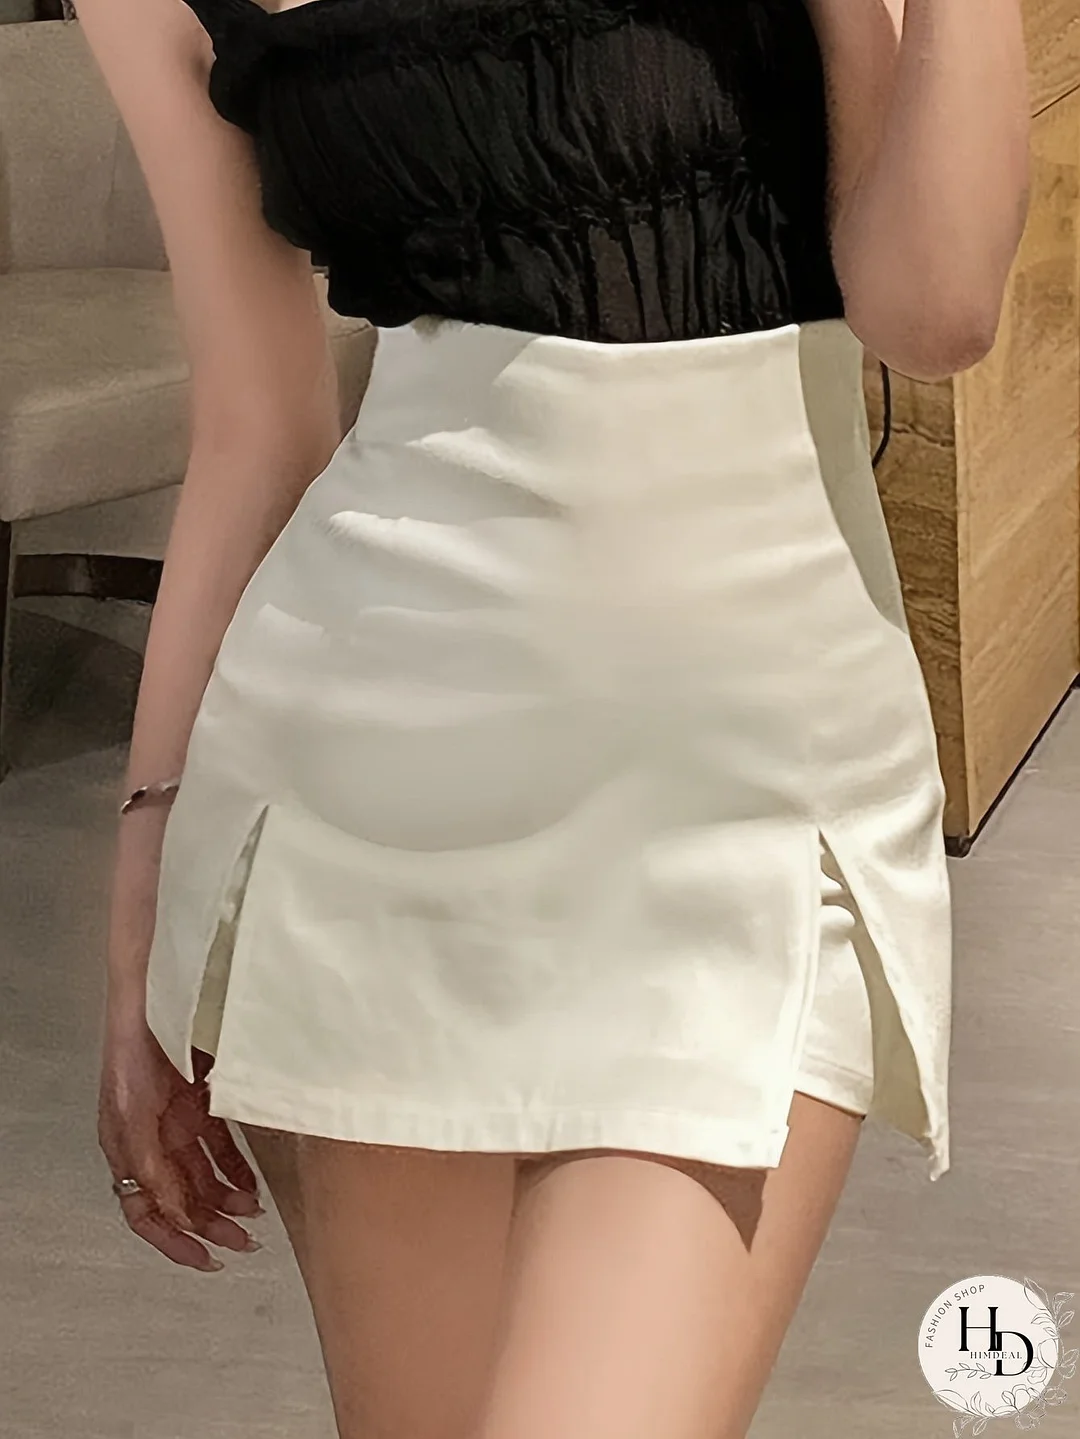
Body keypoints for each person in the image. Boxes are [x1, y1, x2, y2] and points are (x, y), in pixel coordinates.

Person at [81, 0, 1030, 1433]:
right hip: (353, 817)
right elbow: (258, 429)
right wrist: (143, 908)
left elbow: (937, 307)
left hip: (748, 802)